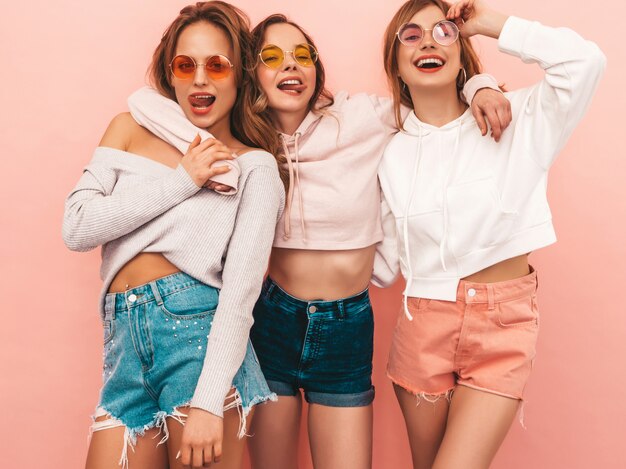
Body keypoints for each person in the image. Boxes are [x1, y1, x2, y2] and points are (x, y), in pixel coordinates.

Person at [127, 12, 510, 469]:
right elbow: (145, 102)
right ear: (252, 73)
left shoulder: (360, 116)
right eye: (272, 57)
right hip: (271, 320)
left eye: (301, 56)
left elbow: (435, 107)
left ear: (315, 68)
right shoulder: (247, 140)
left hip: (347, 325)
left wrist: (477, 85)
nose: (291, 66)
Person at [377, 1, 606, 467]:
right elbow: (385, 263)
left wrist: (486, 24)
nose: (427, 42)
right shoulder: (391, 153)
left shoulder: (516, 118)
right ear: (396, 66)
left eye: (442, 32)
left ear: (462, 52)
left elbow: (586, 63)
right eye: (411, 35)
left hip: (503, 323)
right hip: (423, 322)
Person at [62, 2, 285, 468]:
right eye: (186, 65)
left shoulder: (253, 168)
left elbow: (241, 295)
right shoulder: (127, 127)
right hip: (124, 346)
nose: (200, 79)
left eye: (216, 65)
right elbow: (78, 227)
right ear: (171, 73)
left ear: (239, 75)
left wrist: (208, 401)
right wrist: (183, 180)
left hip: (200, 344)